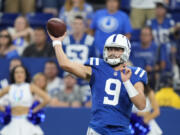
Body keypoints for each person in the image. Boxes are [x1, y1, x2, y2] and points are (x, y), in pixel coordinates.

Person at [48, 31, 147, 134]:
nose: (113, 53)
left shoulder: (135, 73)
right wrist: (57, 43)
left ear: (126, 51)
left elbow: (141, 105)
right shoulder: (97, 67)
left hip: (121, 131)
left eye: (117, 49)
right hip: (97, 130)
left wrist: (127, 82)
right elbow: (66, 65)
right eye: (110, 49)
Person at [0, 65, 50, 135]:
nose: (19, 74)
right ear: (13, 75)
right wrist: (4, 109)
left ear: (25, 75)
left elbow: (47, 98)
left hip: (27, 121)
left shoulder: (30, 87)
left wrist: (35, 109)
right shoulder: (9, 88)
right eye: (16, 72)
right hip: (13, 122)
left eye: (22, 72)